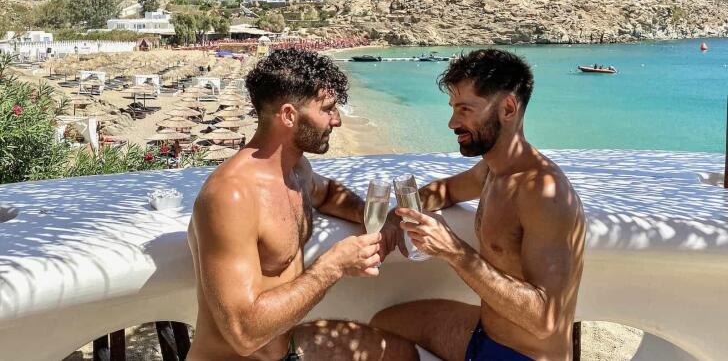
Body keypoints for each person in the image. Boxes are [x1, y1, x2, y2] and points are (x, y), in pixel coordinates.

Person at [186, 48, 416, 361]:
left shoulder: (296, 170)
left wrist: (376, 218)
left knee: (400, 353)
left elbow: (327, 193)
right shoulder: (231, 196)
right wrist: (333, 265)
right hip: (236, 356)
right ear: (289, 115)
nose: (336, 120)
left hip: (287, 347)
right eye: (328, 110)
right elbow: (243, 334)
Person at [371, 49, 586, 360]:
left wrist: (453, 251)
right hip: (486, 333)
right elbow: (444, 191)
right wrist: (395, 217)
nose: (451, 123)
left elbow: (545, 320)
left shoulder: (543, 193)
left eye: (465, 109)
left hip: (524, 355)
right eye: (453, 108)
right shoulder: (492, 169)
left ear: (508, 108)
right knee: (384, 322)